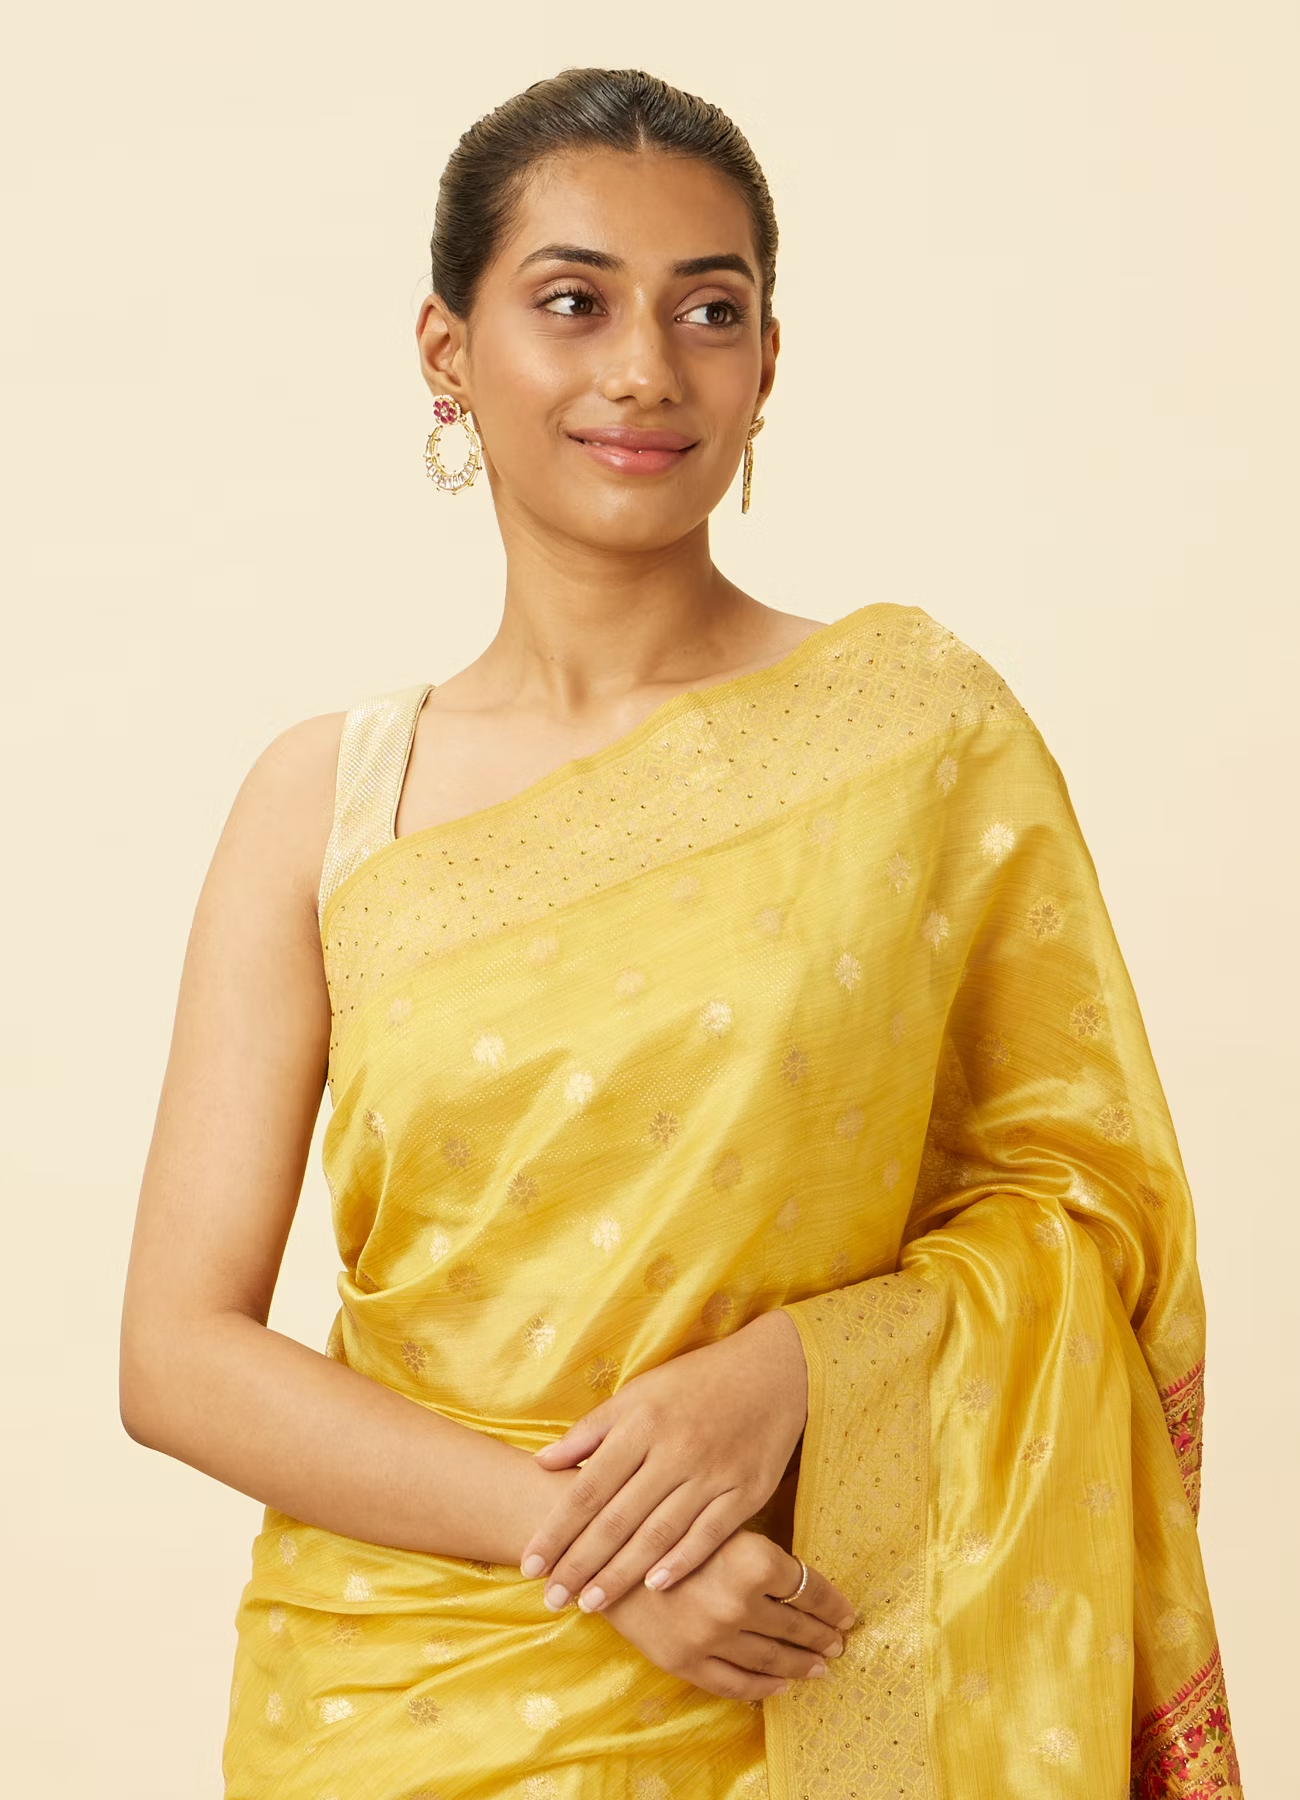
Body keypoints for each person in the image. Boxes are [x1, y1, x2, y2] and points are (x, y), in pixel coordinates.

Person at [119, 66, 1244, 1800]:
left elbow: (1089, 1215)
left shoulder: (914, 735)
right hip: (393, 1696)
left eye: (708, 311)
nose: (645, 368)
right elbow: (178, 1356)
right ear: (447, 349)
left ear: (768, 363)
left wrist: (799, 1372)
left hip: (818, 1649)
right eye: (573, 302)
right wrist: (592, 1543)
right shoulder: (323, 799)